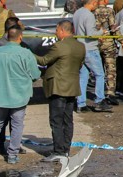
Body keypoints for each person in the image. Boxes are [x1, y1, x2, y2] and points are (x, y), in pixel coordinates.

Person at [0, 27, 38, 164]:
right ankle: (12, 155)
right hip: (20, 97)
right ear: (20, 37)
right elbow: (36, 75)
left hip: (0, 96)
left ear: (7, 37)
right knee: (17, 125)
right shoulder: (25, 53)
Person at [36, 20, 86, 163]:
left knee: (56, 120)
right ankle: (65, 149)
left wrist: (28, 53)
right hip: (72, 87)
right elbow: (80, 64)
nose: (55, 33)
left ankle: (58, 151)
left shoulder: (59, 46)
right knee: (68, 120)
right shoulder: (80, 46)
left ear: (63, 31)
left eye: (57, 30)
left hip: (58, 88)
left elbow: (44, 61)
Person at [73, 0, 113, 112]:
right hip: (90, 49)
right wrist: (101, 31)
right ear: (93, 2)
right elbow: (91, 33)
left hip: (80, 48)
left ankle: (81, 104)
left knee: (83, 76)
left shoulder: (77, 13)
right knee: (100, 74)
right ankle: (99, 100)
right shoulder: (89, 15)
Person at [94, 0, 121, 105]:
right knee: (111, 69)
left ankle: (99, 93)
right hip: (108, 44)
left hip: (96, 43)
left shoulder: (93, 11)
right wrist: (121, 40)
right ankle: (110, 93)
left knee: (98, 71)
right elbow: (113, 27)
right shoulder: (109, 11)